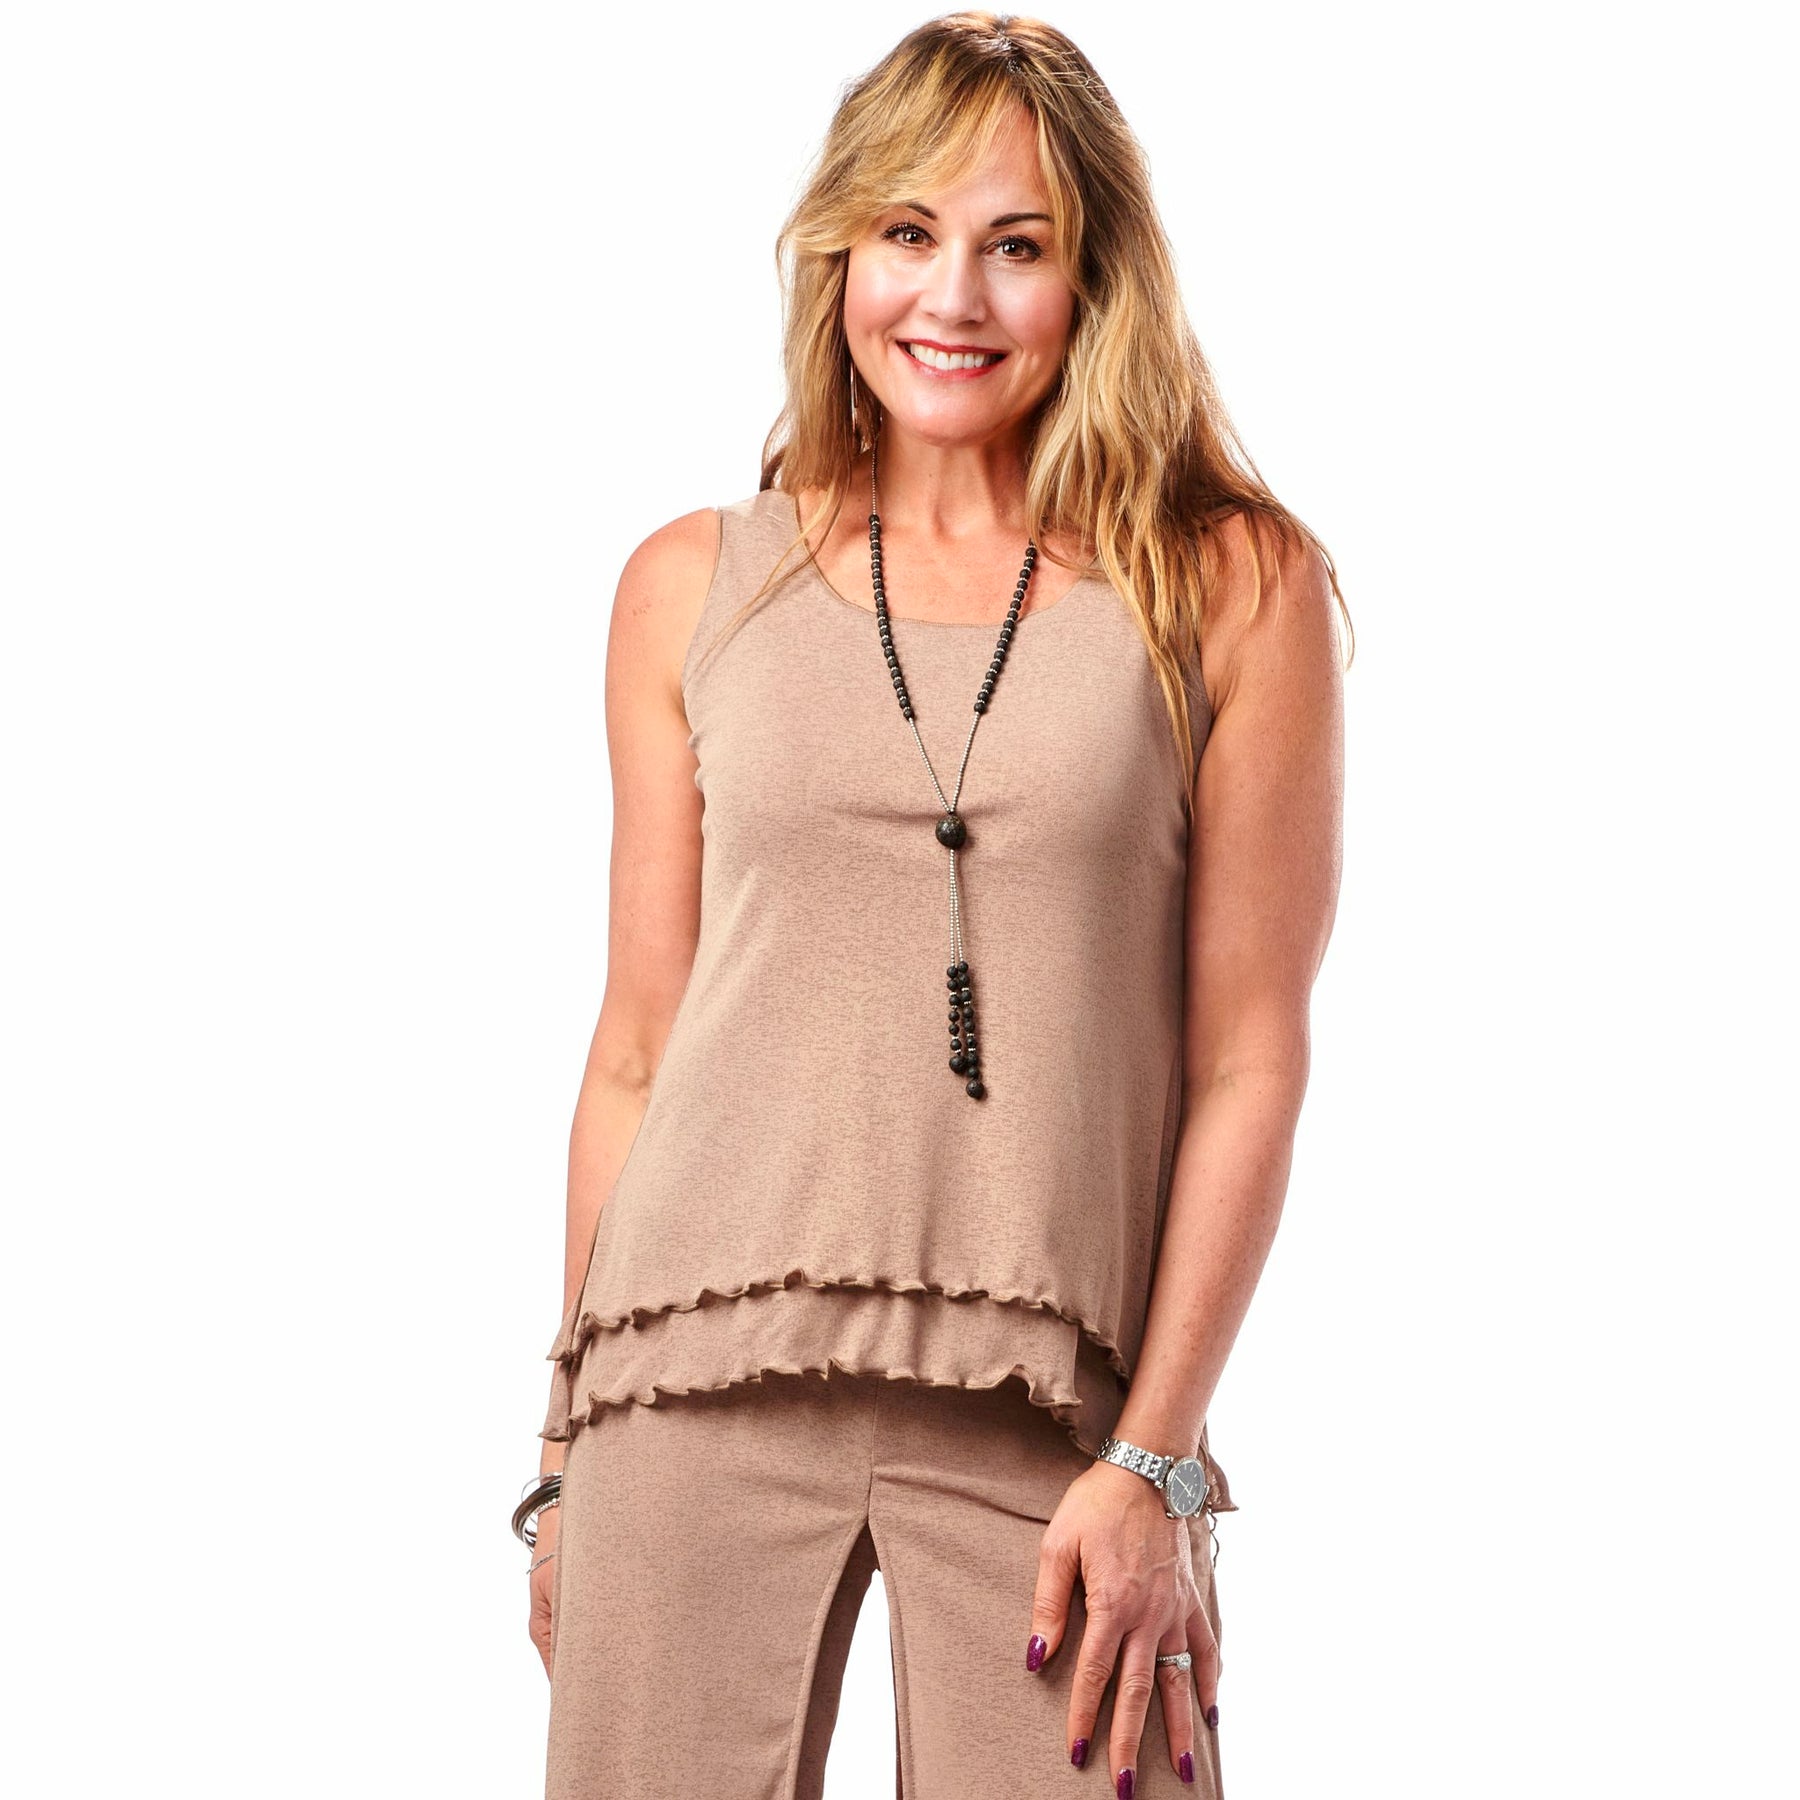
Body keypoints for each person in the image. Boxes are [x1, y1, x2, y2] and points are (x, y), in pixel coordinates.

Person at [518, 14, 1349, 1798]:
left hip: (1061, 1429)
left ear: (1093, 277)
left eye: (1015, 244)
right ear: (841, 255)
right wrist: (565, 1453)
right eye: (908, 232)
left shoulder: (1225, 584)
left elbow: (1250, 1063)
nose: (951, 296)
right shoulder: (694, 586)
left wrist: (1159, 1462)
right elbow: (637, 1048)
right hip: (690, 1385)